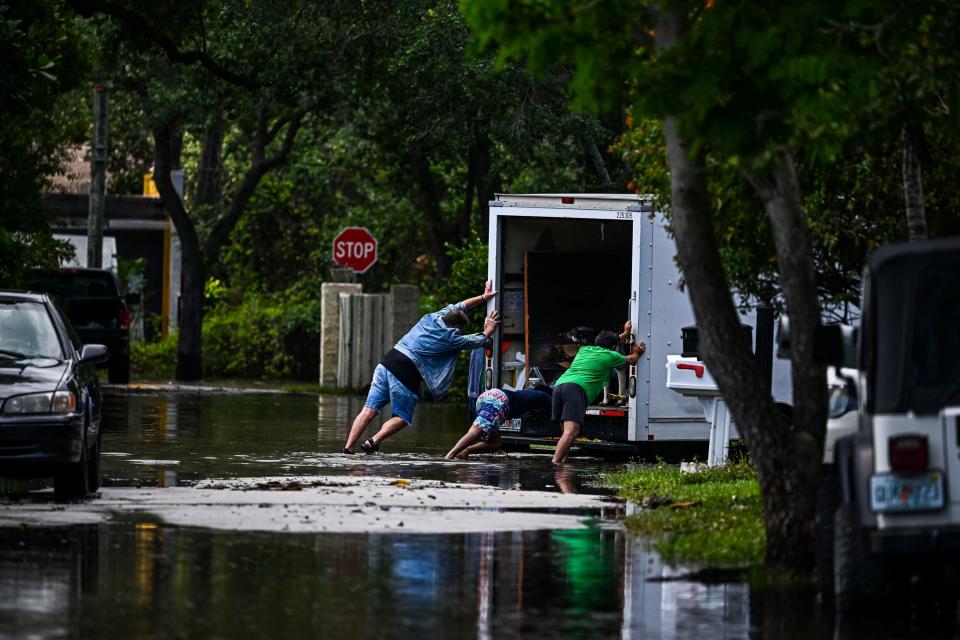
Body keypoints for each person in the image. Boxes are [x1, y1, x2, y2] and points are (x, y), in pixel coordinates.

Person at [341, 281, 500, 454]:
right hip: (405, 373)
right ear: (455, 327)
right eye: (460, 331)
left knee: (368, 410)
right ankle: (373, 442)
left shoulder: (433, 317)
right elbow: (476, 341)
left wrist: (484, 297)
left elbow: (461, 305)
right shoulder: (451, 338)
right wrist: (489, 330)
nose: (459, 334)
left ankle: (348, 448)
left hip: (387, 362)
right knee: (402, 418)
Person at [551, 321, 646, 464]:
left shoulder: (585, 349)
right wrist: (638, 352)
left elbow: (608, 343)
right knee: (571, 432)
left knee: (567, 432)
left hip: (559, 386)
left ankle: (562, 461)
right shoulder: (611, 356)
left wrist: (625, 334)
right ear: (614, 347)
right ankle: (555, 465)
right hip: (576, 389)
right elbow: (632, 360)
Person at [445, 384, 551, 460]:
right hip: (498, 399)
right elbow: (558, 411)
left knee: (495, 443)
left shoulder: (528, 397)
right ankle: (450, 455)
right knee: (476, 430)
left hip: (488, 396)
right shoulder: (542, 395)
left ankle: (466, 450)